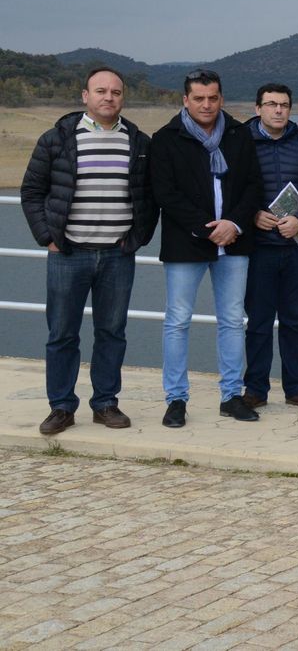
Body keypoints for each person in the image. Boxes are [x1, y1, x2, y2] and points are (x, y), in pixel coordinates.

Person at [22, 67, 158, 435]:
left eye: (115, 92)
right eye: (100, 91)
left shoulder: (139, 142)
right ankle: (62, 406)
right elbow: (32, 191)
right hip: (68, 254)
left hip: (117, 255)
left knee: (112, 331)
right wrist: (46, 236)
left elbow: (150, 197)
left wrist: (137, 239)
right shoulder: (58, 139)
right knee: (62, 333)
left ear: (122, 98)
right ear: (85, 96)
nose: (108, 97)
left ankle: (105, 403)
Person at [149, 69, 264, 427]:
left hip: (235, 239)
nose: (206, 104)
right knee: (178, 321)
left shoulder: (238, 135)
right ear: (186, 100)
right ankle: (176, 400)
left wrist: (233, 223)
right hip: (186, 243)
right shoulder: (166, 139)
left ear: (221, 98)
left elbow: (252, 185)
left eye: (213, 97)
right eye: (198, 98)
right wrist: (206, 229)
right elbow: (165, 193)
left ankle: (231, 396)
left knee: (232, 320)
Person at [242, 83, 298, 410]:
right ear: (258, 108)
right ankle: (255, 389)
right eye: (271, 104)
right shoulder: (241, 143)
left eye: (284, 105)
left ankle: (296, 387)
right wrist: (252, 215)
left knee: (295, 320)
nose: (278, 110)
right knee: (259, 321)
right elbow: (232, 190)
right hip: (258, 248)